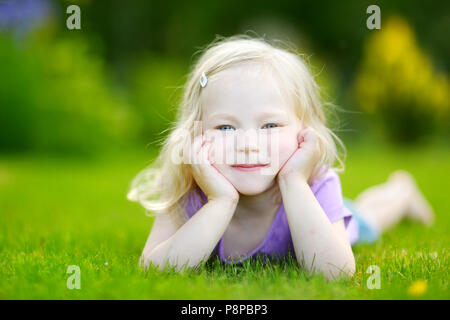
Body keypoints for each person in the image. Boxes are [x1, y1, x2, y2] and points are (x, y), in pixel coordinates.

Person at [127, 35, 434, 280]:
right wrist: (220, 201)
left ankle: (402, 193)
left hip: (324, 214)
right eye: (225, 127)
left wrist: (293, 181)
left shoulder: (316, 184)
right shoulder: (190, 190)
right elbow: (155, 269)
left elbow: (334, 273)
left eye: (270, 125)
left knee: (369, 217)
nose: (248, 144)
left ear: (305, 133)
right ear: (196, 135)